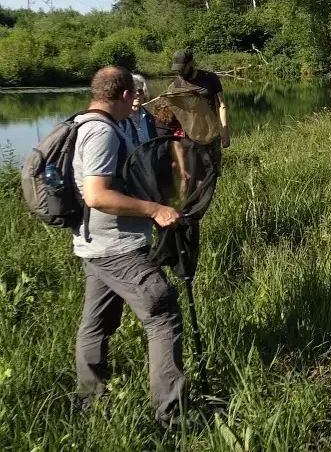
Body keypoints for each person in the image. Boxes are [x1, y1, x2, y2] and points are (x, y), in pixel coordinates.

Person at [72, 67, 185, 427]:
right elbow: (96, 195)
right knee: (163, 311)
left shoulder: (80, 122)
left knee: (97, 322)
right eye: (131, 97)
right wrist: (154, 209)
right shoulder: (103, 132)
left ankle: (90, 400)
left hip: (95, 244)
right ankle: (172, 414)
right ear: (123, 95)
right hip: (117, 245)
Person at [171, 50, 230, 149]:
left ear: (191, 64)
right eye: (177, 69)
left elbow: (222, 105)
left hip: (211, 133)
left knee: (213, 163)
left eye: (182, 69)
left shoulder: (210, 78)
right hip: (189, 137)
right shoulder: (177, 84)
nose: (180, 72)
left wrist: (225, 130)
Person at [119, 73, 157, 146]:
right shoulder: (120, 119)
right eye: (133, 91)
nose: (137, 94)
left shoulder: (149, 118)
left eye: (140, 91)